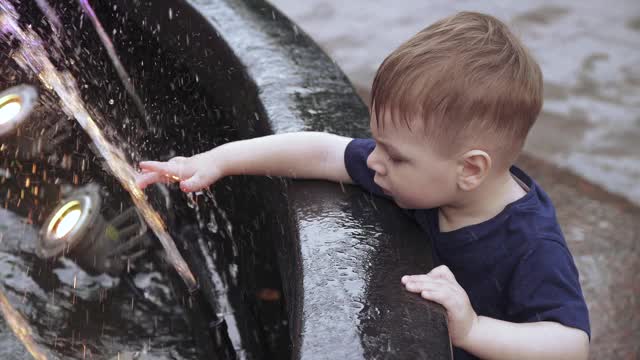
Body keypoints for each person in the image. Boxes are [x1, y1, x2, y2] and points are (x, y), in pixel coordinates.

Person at [136, 11, 590, 359]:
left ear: (470, 170)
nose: (374, 161)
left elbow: (570, 343)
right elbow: (322, 151)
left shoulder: (530, 243)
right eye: (377, 142)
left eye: (394, 155)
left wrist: (473, 330)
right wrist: (217, 160)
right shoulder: (417, 174)